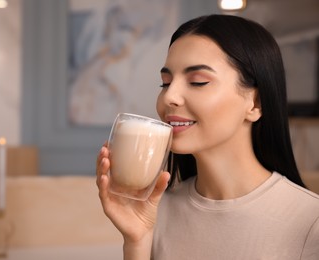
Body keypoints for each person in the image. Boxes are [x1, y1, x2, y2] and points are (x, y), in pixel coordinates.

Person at [96, 14, 319, 259]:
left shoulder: (310, 222)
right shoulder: (154, 211)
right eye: (165, 83)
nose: (170, 96)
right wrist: (136, 241)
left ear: (255, 103)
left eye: (198, 82)